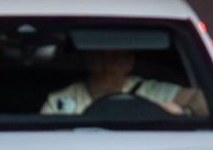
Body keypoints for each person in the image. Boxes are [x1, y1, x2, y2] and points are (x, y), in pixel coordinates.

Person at [41, 44, 204, 119]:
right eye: (101, 55)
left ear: (130, 61)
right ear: (88, 59)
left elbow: (200, 101)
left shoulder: (152, 91)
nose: (110, 63)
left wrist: (170, 111)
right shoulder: (60, 101)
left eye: (118, 56)